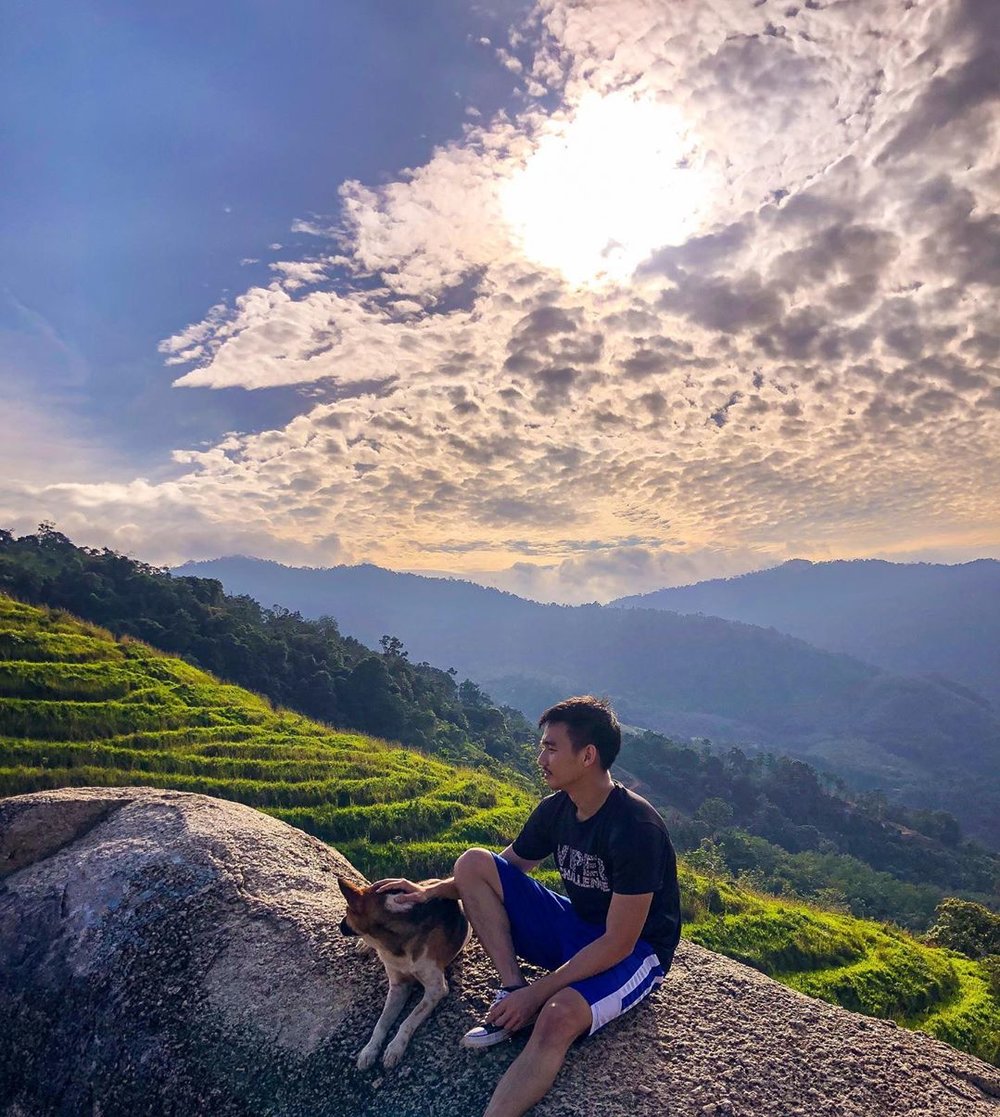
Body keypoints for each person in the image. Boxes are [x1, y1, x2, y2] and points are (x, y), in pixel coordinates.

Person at [374, 695, 681, 1117]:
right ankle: (510, 987)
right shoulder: (558, 810)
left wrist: (541, 994)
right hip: (578, 926)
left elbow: (620, 942)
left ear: (588, 755)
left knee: (556, 1018)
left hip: (636, 950)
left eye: (551, 748)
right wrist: (430, 892)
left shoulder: (635, 828)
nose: (541, 758)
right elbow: (501, 870)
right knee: (474, 862)